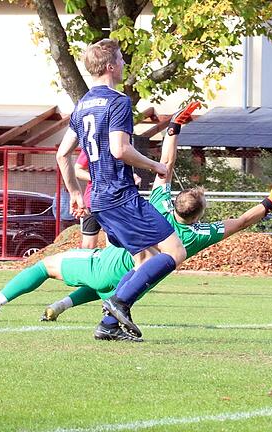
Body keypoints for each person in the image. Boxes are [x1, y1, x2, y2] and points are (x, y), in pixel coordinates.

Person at [0, 118, 272, 342]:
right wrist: (269, 203)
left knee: (44, 266)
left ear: (177, 201)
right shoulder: (200, 234)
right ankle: (78, 312)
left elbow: (166, 168)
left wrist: (173, 130)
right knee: (106, 290)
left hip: (108, 263)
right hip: (130, 283)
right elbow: (240, 222)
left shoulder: (161, 203)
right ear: (198, 214)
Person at [55, 38, 188, 341]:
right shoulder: (118, 101)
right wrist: (156, 166)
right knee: (174, 251)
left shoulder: (82, 106)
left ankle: (109, 325)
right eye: (121, 60)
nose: (125, 64)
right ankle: (118, 303)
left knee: (146, 258)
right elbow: (119, 149)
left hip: (100, 201)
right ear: (112, 67)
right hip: (120, 196)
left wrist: (75, 193)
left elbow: (62, 154)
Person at [74, 150, 102, 248]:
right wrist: (97, 178)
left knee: (113, 244)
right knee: (88, 245)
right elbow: (77, 170)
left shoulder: (121, 142)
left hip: (115, 200)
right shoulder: (91, 144)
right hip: (92, 201)